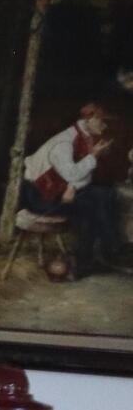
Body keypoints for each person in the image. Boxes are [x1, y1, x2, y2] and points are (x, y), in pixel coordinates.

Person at [20, 100, 124, 279]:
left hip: (55, 192)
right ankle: (101, 254)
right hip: (40, 198)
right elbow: (72, 173)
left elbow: (82, 177)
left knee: (104, 193)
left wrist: (73, 187)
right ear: (89, 120)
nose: (105, 125)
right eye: (102, 120)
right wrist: (92, 158)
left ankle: (107, 250)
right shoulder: (65, 142)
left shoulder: (84, 138)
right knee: (90, 204)